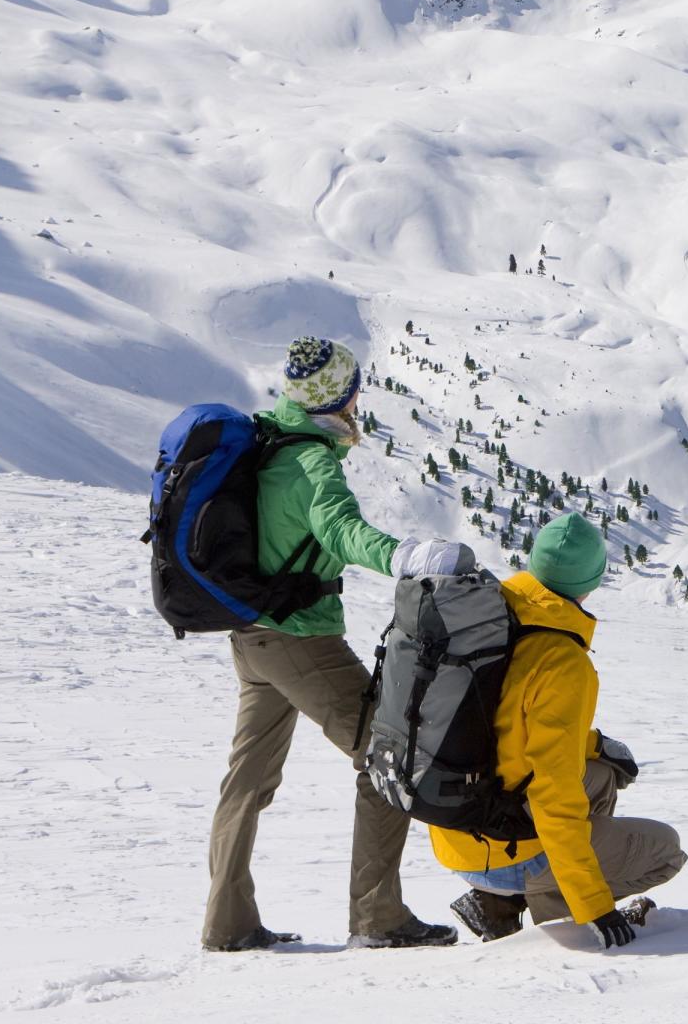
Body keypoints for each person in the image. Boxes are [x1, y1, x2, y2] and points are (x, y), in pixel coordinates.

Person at [202, 336, 456, 953]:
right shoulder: (311, 462)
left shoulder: (269, 439)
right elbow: (340, 531)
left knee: (248, 778)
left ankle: (228, 924)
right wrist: (405, 555)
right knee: (388, 756)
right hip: (298, 640)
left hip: (253, 635)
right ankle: (378, 918)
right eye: (353, 390)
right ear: (339, 396)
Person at [429, 512, 687, 946]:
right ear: (593, 580)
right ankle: (560, 917)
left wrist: (593, 746)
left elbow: (503, 724)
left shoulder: (488, 614)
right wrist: (595, 904)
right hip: (501, 849)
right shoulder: (563, 662)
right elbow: (554, 792)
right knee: (665, 849)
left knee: (601, 774)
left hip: (455, 828)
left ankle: (498, 904)